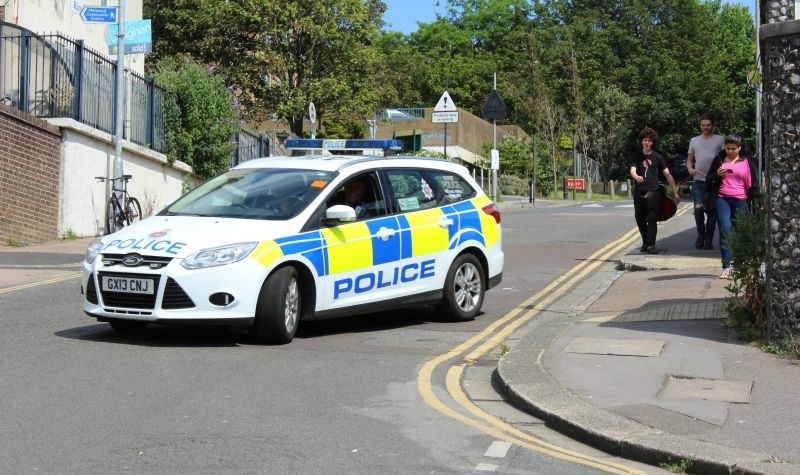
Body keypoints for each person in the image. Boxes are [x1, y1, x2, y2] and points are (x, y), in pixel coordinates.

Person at [703, 134, 760, 279]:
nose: (730, 151)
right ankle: (727, 267)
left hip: (741, 199)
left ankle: (740, 265)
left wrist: (758, 202)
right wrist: (716, 174)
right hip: (722, 198)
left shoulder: (748, 160)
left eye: (733, 148)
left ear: (740, 147)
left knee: (740, 231)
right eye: (728, 148)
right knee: (725, 230)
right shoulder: (719, 159)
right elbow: (708, 181)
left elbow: (754, 183)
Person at [628, 127, 680, 254]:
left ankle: (651, 245)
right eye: (645, 140)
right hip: (639, 191)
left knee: (651, 219)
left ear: (652, 142)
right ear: (642, 141)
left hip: (654, 191)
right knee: (639, 218)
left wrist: (675, 192)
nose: (647, 143)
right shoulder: (636, 156)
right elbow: (632, 170)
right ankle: (645, 242)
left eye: (649, 141)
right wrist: (636, 176)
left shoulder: (658, 157)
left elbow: (667, 175)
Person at [687, 113, 725, 250]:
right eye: (703, 125)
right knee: (698, 209)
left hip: (714, 181)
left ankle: (708, 239)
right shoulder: (694, 140)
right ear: (700, 126)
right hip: (698, 180)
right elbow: (689, 159)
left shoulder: (720, 140)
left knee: (712, 212)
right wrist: (690, 168)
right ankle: (701, 235)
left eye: (708, 125)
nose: (705, 127)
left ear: (712, 125)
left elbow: (725, 159)